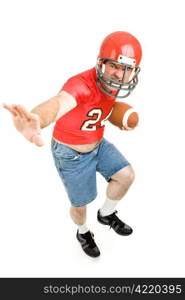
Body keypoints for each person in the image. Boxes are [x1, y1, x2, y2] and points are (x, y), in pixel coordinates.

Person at [3, 31, 142, 258]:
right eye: (113, 66)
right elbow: (59, 102)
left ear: (134, 72)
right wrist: (38, 119)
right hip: (71, 153)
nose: (118, 74)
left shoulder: (115, 84)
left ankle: (106, 214)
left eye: (126, 69)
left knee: (126, 175)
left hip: (98, 143)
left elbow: (97, 109)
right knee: (80, 205)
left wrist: (113, 118)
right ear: (101, 64)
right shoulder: (81, 84)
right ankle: (83, 231)